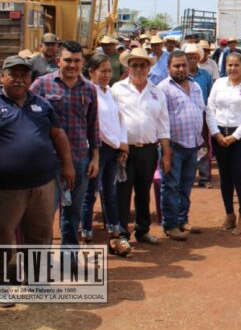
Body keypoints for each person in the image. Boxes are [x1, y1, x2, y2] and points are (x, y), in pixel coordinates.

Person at [0, 55, 75, 288]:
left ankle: (36, 278)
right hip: (2, 188)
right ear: (2, 76)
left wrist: (67, 164)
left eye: (23, 74)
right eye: (13, 74)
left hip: (42, 185)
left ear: (30, 78)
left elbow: (58, 134)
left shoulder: (41, 103)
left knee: (40, 233)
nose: (18, 79)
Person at [30, 40, 100, 247]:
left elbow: (93, 125)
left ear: (83, 63)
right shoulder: (42, 84)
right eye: (68, 60)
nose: (72, 65)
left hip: (80, 159)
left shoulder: (89, 89)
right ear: (59, 61)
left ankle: (69, 255)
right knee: (45, 213)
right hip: (49, 160)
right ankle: (42, 260)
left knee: (73, 212)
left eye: (77, 61)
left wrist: (95, 158)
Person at [112, 48, 171, 247]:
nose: (138, 69)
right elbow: (111, 120)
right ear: (128, 67)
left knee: (143, 191)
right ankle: (121, 233)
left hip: (149, 149)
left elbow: (164, 125)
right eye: (134, 65)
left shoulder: (157, 92)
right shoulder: (117, 90)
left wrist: (166, 154)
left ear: (149, 67)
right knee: (123, 191)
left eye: (142, 65)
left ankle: (142, 230)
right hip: (124, 150)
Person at [79, 54, 131, 255]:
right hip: (95, 150)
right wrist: (118, 143)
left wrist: (122, 143)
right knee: (89, 195)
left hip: (112, 150)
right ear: (91, 72)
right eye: (102, 71)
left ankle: (114, 236)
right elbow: (96, 126)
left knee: (110, 193)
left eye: (109, 71)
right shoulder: (88, 92)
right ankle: (87, 237)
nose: (107, 75)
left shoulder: (109, 92)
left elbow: (120, 120)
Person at [206, 52, 241, 235]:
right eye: (229, 65)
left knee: (239, 177)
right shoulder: (219, 84)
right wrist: (216, 133)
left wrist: (235, 136)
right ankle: (229, 214)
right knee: (225, 178)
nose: (233, 68)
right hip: (220, 135)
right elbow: (210, 109)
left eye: (236, 65)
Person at [158, 51, 206, 241]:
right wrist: (166, 149)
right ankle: (170, 225)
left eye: (183, 65)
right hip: (173, 146)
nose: (181, 69)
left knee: (186, 185)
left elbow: (201, 111)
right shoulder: (163, 88)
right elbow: (161, 120)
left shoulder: (195, 86)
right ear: (169, 68)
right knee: (170, 185)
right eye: (176, 66)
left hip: (192, 145)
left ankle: (182, 219)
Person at [184, 43, 214, 189]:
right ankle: (187, 177)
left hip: (202, 114)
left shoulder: (206, 75)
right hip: (185, 115)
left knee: (203, 145)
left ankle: (204, 177)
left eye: (194, 57)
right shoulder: (181, 76)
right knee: (186, 144)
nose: (191, 60)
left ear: (198, 58)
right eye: (189, 57)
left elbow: (210, 96)